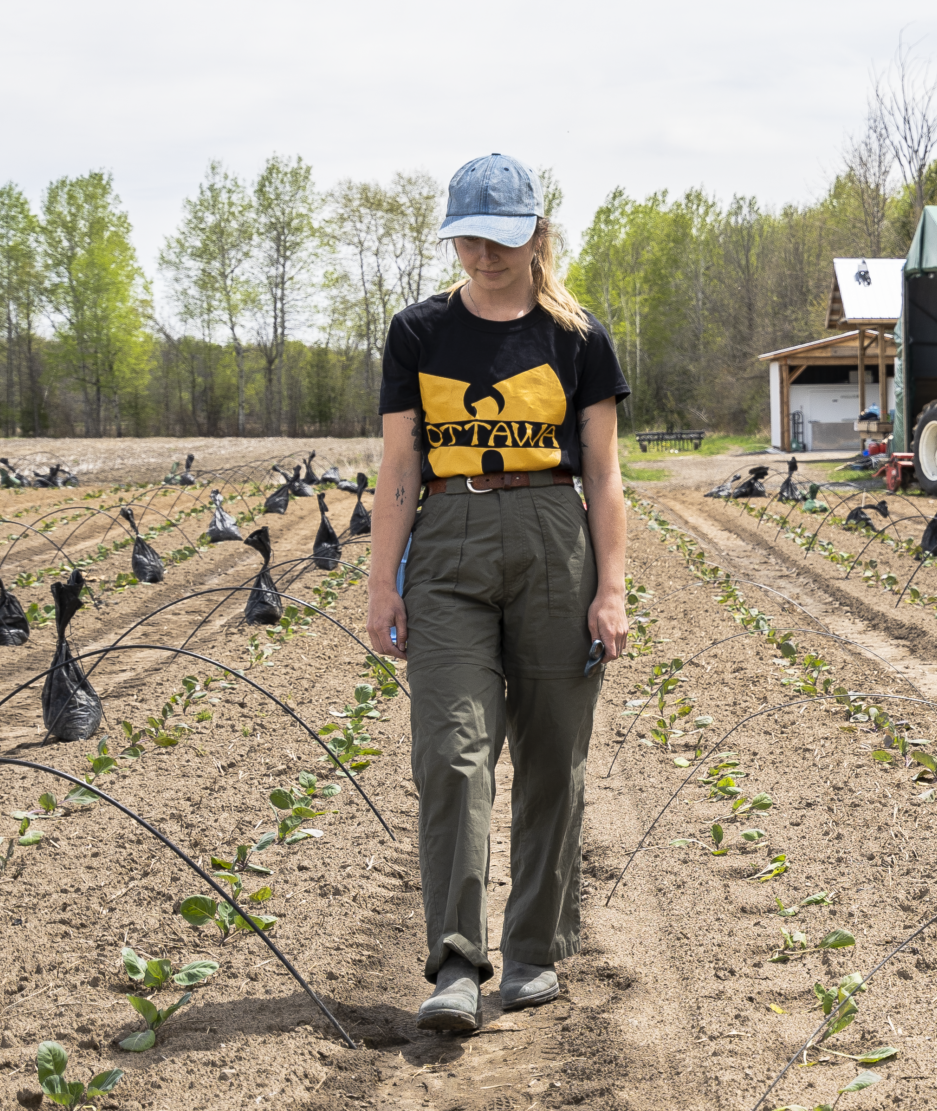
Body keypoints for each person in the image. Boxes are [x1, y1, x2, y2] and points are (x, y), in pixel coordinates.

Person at [366, 153, 631, 1031]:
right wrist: (382, 585)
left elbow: (605, 473)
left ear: (537, 235)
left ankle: (530, 951)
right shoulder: (418, 332)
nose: (483, 255)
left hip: (556, 536)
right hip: (448, 543)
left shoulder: (578, 336)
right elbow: (399, 466)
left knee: (553, 753)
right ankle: (453, 959)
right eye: (468, 238)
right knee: (451, 751)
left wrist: (612, 588)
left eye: (501, 238)